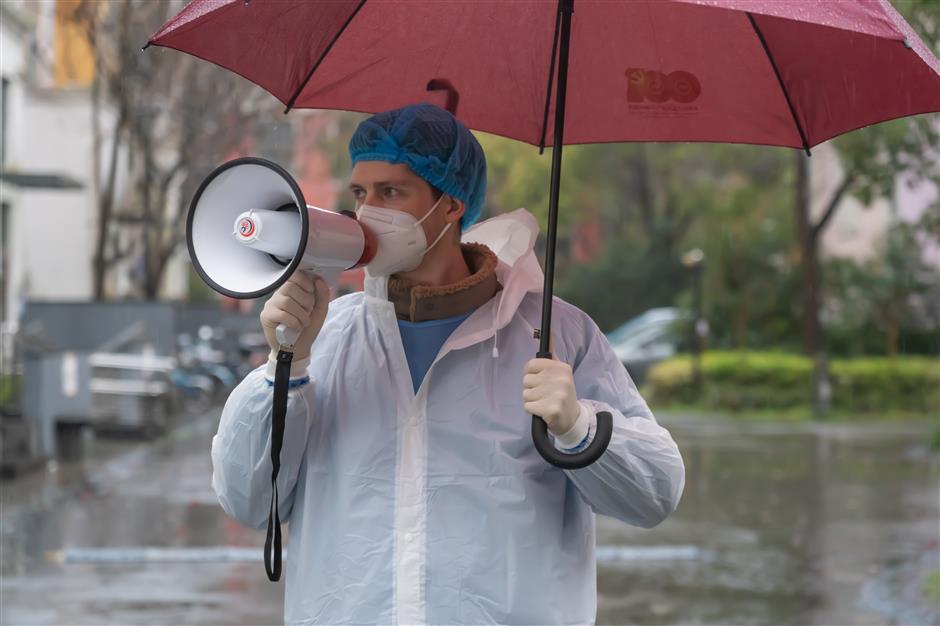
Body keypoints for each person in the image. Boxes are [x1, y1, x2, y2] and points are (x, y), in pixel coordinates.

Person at [211, 103, 685, 625]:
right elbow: (249, 500)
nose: (369, 213)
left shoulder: (553, 335)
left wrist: (579, 427)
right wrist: (287, 365)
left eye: (392, 192)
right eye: (361, 194)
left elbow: (654, 495)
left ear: (451, 204)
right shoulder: (328, 338)